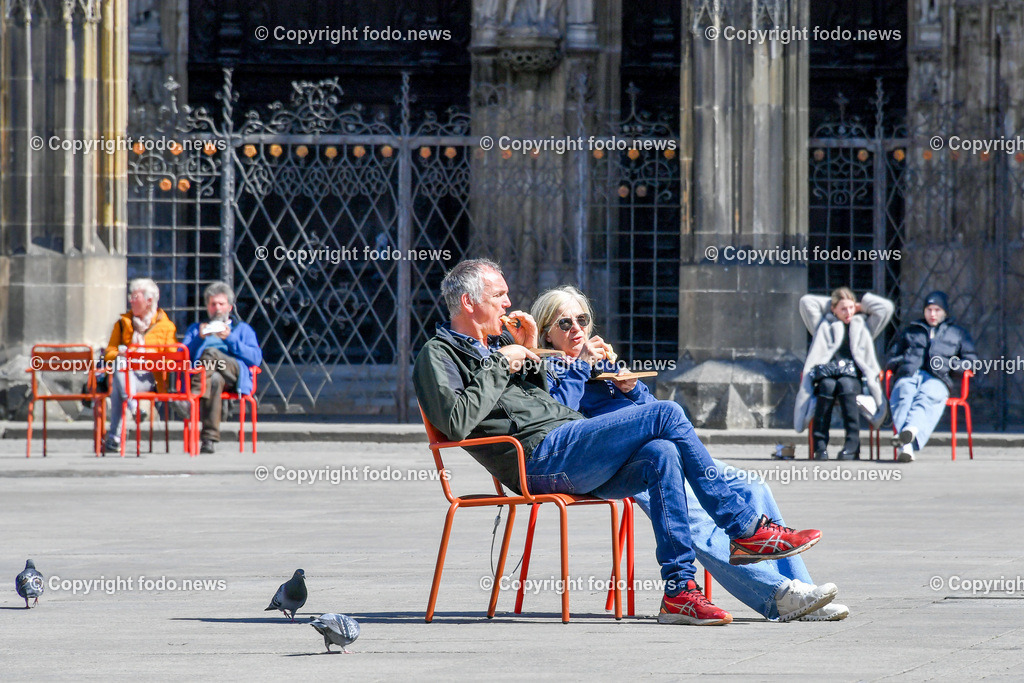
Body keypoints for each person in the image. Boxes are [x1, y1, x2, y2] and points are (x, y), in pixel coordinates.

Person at [414, 259, 825, 626]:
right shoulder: (439, 354)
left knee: (661, 453)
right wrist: (503, 364)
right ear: (468, 302)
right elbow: (455, 422)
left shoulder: (503, 344)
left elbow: (539, 399)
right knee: (667, 413)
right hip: (539, 458)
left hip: (570, 446)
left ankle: (680, 592)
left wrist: (528, 349)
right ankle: (745, 529)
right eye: (499, 295)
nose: (507, 304)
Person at [531, 285, 847, 622]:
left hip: (664, 447)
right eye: (565, 324)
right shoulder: (547, 369)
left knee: (753, 485)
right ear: (547, 333)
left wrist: (632, 388)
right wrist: (578, 366)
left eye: (582, 320)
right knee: (696, 516)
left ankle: (802, 592)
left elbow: (657, 415)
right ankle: (777, 595)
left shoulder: (599, 364)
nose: (577, 329)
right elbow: (558, 418)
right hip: (622, 464)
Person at [795, 288, 893, 460]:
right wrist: (832, 304)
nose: (848, 312)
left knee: (846, 385)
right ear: (833, 309)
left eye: (850, 308)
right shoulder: (823, 325)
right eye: (843, 309)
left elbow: (885, 308)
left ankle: (852, 445)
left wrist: (859, 306)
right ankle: (820, 446)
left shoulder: (864, 325)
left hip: (854, 377)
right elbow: (806, 302)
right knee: (827, 386)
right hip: (827, 375)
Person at [886, 290, 977, 462]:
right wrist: (905, 360)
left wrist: (948, 364)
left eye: (937, 310)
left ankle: (909, 435)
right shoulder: (910, 331)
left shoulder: (957, 333)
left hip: (938, 378)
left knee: (927, 396)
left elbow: (971, 362)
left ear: (945, 312)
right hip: (909, 375)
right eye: (929, 309)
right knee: (904, 393)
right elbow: (890, 358)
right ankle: (908, 442)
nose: (933, 314)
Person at [182, 282, 263, 454]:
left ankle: (192, 398)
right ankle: (208, 440)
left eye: (221, 304)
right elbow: (181, 356)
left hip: (233, 372)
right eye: (213, 304)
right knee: (214, 380)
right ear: (207, 307)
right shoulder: (197, 329)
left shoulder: (242, 329)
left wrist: (230, 338)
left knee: (211, 353)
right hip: (210, 376)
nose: (217, 308)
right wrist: (199, 339)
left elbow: (256, 358)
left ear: (230, 307)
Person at [101, 278, 177, 453]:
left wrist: (146, 357)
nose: (131, 300)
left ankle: (114, 437)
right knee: (121, 365)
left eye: (135, 297)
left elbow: (172, 359)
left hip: (150, 378)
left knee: (119, 385)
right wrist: (121, 353)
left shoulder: (166, 327)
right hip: (126, 373)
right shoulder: (122, 324)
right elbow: (109, 353)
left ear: (149, 301)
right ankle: (133, 406)